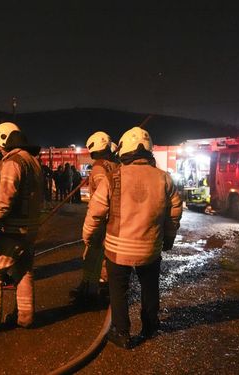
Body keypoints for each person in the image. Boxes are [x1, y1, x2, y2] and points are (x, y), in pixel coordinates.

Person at [82, 127, 182, 348]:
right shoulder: (164, 178)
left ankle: (122, 333)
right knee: (150, 288)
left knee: (119, 292)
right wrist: (169, 236)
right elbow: (175, 209)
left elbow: (95, 212)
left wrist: (89, 237)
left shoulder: (113, 178)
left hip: (118, 250)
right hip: (151, 248)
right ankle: (149, 327)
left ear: (125, 149)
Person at [0, 129, 44, 330]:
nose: (0, 152)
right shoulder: (33, 162)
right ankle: (26, 316)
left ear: (6, 145)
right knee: (23, 271)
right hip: (30, 230)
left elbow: (5, 198)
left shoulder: (13, 163)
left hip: (12, 231)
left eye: (1, 148)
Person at [70, 131, 119, 302]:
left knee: (92, 255)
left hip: (102, 218)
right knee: (106, 255)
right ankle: (104, 287)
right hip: (114, 218)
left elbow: (101, 196)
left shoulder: (99, 166)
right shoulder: (116, 165)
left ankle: (89, 290)